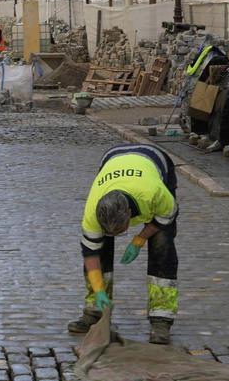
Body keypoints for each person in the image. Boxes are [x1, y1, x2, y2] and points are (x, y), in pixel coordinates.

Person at [69, 144, 180, 345]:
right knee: (101, 249)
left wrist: (139, 239)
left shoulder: (153, 193)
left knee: (162, 247)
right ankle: (95, 312)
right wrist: (99, 290)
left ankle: (161, 319)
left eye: (120, 231)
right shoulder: (92, 212)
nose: (116, 236)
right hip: (112, 160)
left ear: (129, 214)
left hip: (154, 160)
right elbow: (91, 255)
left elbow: (167, 215)